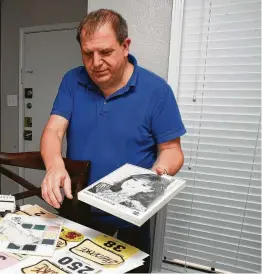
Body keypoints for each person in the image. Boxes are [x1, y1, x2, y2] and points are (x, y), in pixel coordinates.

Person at [40, 8, 186, 272]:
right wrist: (54, 165)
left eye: (105, 52)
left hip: (130, 217)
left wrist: (157, 174)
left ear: (125, 45)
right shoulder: (72, 80)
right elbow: (54, 131)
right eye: (88, 53)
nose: (95, 63)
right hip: (77, 208)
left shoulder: (157, 90)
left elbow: (172, 150)